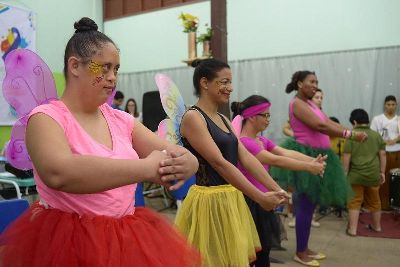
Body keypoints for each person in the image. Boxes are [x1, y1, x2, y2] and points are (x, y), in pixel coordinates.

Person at [0, 17, 202, 267]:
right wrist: (146, 168)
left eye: (116, 69)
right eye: (103, 68)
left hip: (126, 240)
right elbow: (59, 172)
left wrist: (189, 160)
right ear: (75, 66)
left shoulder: (122, 121)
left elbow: (171, 152)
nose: (112, 77)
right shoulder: (46, 118)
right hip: (69, 244)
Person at [175, 59, 288, 267]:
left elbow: (246, 158)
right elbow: (220, 163)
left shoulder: (223, 118)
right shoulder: (193, 117)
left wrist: (276, 189)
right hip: (208, 202)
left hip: (232, 197)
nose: (230, 88)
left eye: (230, 82)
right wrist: (260, 196)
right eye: (224, 82)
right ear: (204, 83)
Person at [270, 70, 367, 267]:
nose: (315, 85)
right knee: (305, 205)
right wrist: (350, 134)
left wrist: (349, 131)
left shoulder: (310, 102)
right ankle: (300, 252)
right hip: (307, 156)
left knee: (311, 203)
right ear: (299, 83)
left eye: (317, 82)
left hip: (320, 155)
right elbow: (320, 126)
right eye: (311, 81)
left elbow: (327, 121)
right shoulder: (296, 103)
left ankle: (304, 247)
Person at [231, 95, 326, 267]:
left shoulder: (260, 140)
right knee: (253, 251)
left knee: (263, 249)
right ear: (252, 116)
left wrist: (311, 161)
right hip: (250, 202)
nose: (268, 119)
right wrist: (309, 167)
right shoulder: (245, 143)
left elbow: (284, 153)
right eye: (265, 115)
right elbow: (275, 160)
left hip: (264, 201)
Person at [343, 109, 386, 236]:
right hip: (373, 174)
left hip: (356, 175)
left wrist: (345, 173)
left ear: (354, 122)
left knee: (354, 201)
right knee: (375, 201)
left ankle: (353, 229)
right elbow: (383, 154)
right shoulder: (376, 135)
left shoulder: (352, 136)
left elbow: (347, 156)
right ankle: (377, 227)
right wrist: (382, 172)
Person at [370, 95, 400, 210]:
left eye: (393, 104)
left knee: (395, 178)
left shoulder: (398, 119)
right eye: (388, 104)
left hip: (397, 151)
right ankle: (382, 204)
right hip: (382, 152)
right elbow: (372, 135)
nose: (391, 107)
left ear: (396, 105)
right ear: (384, 105)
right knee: (382, 178)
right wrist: (383, 141)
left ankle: (395, 204)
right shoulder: (378, 119)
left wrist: (395, 140)